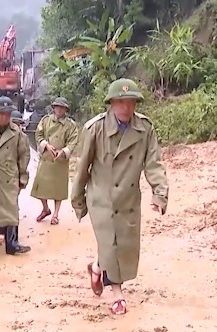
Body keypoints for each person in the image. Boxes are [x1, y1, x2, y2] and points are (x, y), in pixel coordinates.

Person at [71, 78, 169, 315]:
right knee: (110, 244)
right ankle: (117, 295)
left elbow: (153, 163)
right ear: (111, 103)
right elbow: (82, 166)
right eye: (121, 102)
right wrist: (78, 199)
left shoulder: (145, 129)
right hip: (101, 198)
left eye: (131, 102)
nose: (126, 107)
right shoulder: (95, 129)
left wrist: (160, 192)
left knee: (121, 247)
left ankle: (96, 268)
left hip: (128, 199)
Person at [0, 97, 31, 254]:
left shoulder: (16, 132)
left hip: (9, 176)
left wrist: (23, 178)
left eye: (8, 114)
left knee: (11, 210)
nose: (4, 117)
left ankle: (12, 244)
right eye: (1, 114)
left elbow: (23, 155)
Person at [31, 97, 79, 225]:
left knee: (59, 190)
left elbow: (73, 141)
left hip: (60, 161)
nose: (59, 109)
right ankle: (45, 209)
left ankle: (56, 215)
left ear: (65, 110)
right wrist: (45, 145)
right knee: (40, 188)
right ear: (53, 108)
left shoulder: (70, 125)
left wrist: (64, 151)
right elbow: (38, 135)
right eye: (57, 107)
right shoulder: (45, 121)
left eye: (62, 107)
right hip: (46, 158)